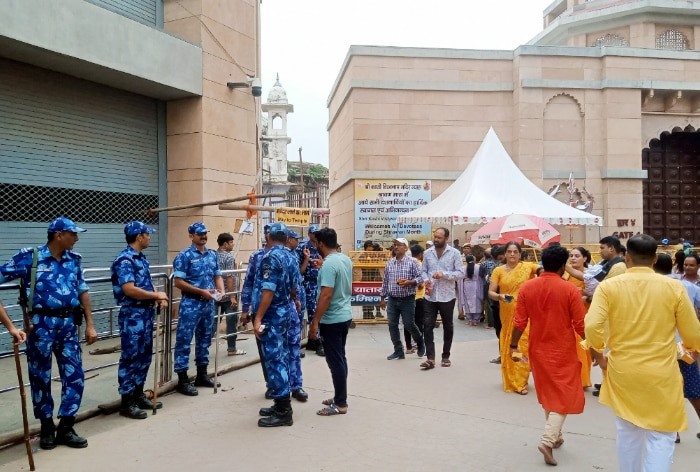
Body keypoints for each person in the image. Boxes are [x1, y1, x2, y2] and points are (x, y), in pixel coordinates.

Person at [586, 234, 700, 472]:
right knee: (661, 434)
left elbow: (592, 327)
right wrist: (693, 349)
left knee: (628, 430)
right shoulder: (674, 287)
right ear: (655, 258)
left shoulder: (608, 287)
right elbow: (692, 333)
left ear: (627, 257)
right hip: (662, 371)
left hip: (623, 369)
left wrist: (599, 352)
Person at [0, 216, 97, 449]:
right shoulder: (30, 257)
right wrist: (11, 327)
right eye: (73, 234)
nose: (77, 238)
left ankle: (66, 426)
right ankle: (46, 428)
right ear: (59, 235)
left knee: (74, 375)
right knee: (40, 376)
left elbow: (82, 290)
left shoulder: (74, 259)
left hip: (68, 325)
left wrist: (91, 323)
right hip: (40, 326)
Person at [510, 245, 587, 466]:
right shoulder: (570, 290)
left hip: (537, 348)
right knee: (564, 394)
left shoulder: (527, 287)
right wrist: (593, 345)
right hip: (562, 349)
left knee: (549, 392)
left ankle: (556, 436)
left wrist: (513, 345)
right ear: (563, 266)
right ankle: (547, 439)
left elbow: (519, 322)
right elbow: (580, 324)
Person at [110, 221, 168, 420]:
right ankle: (127, 401)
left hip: (145, 313)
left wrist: (156, 299)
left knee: (144, 355)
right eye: (147, 234)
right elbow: (129, 289)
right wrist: (156, 296)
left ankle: (138, 393)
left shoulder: (141, 259)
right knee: (131, 357)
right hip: (132, 315)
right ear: (139, 237)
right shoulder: (125, 260)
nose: (149, 237)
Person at [252, 222, 299, 427]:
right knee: (282, 354)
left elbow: (268, 290)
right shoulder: (291, 256)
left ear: (269, 237)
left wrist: (258, 317)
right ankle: (280, 402)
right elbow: (294, 288)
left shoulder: (270, 257)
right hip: (286, 309)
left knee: (274, 358)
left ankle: (283, 409)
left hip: (273, 313)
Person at [172, 222, 224, 396]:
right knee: (184, 341)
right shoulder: (184, 256)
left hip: (208, 304)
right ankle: (183, 379)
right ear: (191, 236)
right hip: (191, 303)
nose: (203, 236)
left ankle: (202, 374)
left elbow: (217, 275)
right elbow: (178, 282)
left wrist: (221, 291)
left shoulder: (212, 255)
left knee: (205, 339)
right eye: (200, 234)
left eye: (205, 233)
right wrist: (201, 291)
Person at [653, 253, 700, 443]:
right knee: (694, 389)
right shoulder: (689, 287)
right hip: (685, 347)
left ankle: (673, 430)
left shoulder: (651, 288)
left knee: (665, 389)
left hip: (660, 348)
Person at [309, 227, 353, 416]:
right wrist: (322, 267)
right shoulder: (343, 259)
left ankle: (340, 403)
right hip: (344, 315)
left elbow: (326, 295)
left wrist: (315, 322)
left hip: (332, 319)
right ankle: (339, 396)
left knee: (335, 360)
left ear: (321, 243)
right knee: (340, 358)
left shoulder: (329, 264)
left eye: (315, 243)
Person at [488, 241, 538, 394]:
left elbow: (545, 270)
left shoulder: (528, 267)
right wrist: (501, 296)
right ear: (505, 253)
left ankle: (521, 380)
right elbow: (491, 293)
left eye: (515, 251)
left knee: (523, 345)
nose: (512, 254)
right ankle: (513, 378)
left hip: (526, 313)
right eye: (509, 251)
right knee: (509, 345)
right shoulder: (498, 271)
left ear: (520, 253)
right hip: (507, 313)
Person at [420, 227, 464, 369]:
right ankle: (430, 358)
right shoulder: (427, 253)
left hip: (447, 296)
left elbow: (460, 273)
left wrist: (443, 274)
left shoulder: (455, 253)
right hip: (430, 296)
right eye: (435, 236)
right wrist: (426, 279)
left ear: (446, 238)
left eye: (439, 237)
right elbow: (423, 271)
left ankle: (446, 356)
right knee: (427, 326)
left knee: (448, 326)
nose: (436, 239)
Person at [379, 237, 425, 360]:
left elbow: (422, 277)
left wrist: (410, 282)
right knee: (392, 324)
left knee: (409, 323)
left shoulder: (412, 262)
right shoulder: (390, 263)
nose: (396, 247)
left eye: (399, 245)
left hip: (407, 299)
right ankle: (398, 350)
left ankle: (420, 342)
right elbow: (385, 281)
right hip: (392, 299)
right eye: (395, 244)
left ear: (405, 247)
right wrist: (382, 297)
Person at [563, 246, 593, 389]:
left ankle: (582, 379)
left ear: (585, 258)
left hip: (585, 314)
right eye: (571, 256)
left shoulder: (589, 275)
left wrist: (584, 297)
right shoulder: (566, 275)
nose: (573, 258)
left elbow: (596, 295)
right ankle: (571, 378)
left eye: (577, 256)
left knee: (582, 347)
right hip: (568, 315)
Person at [284, 229, 308, 401]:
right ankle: (277, 387)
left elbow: (296, 280)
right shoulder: (262, 256)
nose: (297, 242)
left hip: (291, 305)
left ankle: (296, 385)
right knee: (275, 352)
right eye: (295, 239)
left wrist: (297, 299)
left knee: (293, 347)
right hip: (273, 310)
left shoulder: (293, 255)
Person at [296, 224, 325, 356]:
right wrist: (307, 259)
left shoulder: (322, 247)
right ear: (309, 234)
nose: (316, 236)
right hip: (305, 284)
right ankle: (299, 343)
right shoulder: (303, 247)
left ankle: (315, 340)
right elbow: (298, 269)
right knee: (301, 314)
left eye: (318, 233)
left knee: (316, 313)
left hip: (318, 283)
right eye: (314, 233)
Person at [216, 232, 245, 356]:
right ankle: (232, 349)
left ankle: (203, 346)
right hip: (228, 296)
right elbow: (230, 277)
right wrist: (232, 295)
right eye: (231, 242)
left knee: (212, 321)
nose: (232, 245)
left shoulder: (213, 256)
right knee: (231, 322)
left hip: (215, 294)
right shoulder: (228, 257)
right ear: (225, 244)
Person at [405, 244, 426, 354]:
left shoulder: (406, 263)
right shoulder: (419, 264)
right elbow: (421, 284)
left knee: (407, 322)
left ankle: (408, 346)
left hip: (408, 296)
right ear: (420, 254)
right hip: (419, 297)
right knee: (418, 322)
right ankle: (419, 344)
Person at [458, 254, 485, 326]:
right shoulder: (478, 267)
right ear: (474, 260)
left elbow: (460, 278)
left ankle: (470, 319)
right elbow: (482, 277)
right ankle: (476, 320)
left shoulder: (463, 268)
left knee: (467, 302)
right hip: (476, 285)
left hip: (466, 286)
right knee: (477, 302)